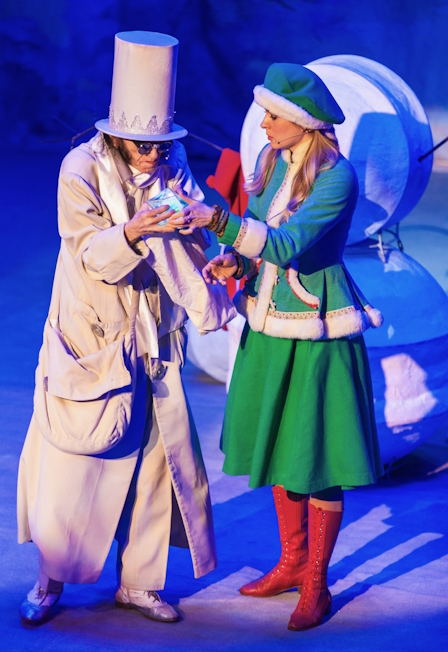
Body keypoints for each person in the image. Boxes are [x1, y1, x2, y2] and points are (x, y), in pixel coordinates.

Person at [17, 31, 235, 626]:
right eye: (143, 144)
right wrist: (135, 231)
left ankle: (139, 583)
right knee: (74, 463)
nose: (153, 155)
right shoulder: (80, 169)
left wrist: (203, 244)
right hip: (91, 334)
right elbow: (87, 252)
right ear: (116, 135)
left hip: (154, 335)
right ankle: (49, 580)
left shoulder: (172, 164)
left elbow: (193, 229)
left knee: (155, 464)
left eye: (162, 144)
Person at [177, 62, 384, 631]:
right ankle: (291, 562)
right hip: (268, 326)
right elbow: (259, 237)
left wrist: (218, 221)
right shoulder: (272, 161)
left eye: (273, 115)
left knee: (317, 455)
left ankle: (316, 581)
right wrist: (235, 262)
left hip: (317, 333)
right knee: (280, 448)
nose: (264, 124)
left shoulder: (336, 178)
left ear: (303, 120)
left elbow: (288, 243)